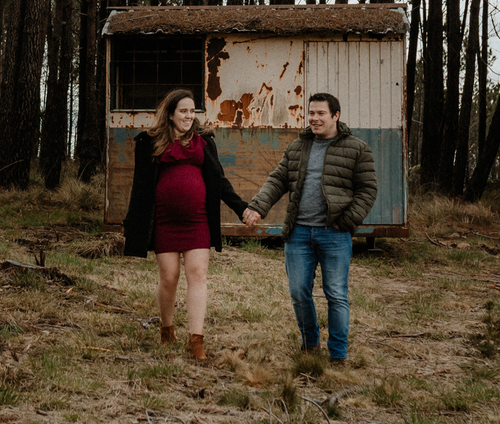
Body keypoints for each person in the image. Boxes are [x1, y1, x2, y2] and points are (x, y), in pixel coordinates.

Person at [241, 92, 377, 365]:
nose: (314, 118)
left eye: (321, 114)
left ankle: (338, 355)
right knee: (298, 292)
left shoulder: (357, 149)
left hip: (334, 234)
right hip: (299, 233)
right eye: (311, 113)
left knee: (336, 294)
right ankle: (310, 343)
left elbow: (367, 190)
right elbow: (278, 180)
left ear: (335, 115)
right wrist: (257, 207)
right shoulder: (297, 147)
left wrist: (345, 222)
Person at [123, 88, 250, 361]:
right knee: (169, 277)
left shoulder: (204, 143)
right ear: (170, 114)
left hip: (198, 220)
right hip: (164, 221)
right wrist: (132, 224)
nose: (189, 116)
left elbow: (220, 182)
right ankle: (166, 329)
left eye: (192, 111)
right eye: (183, 111)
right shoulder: (150, 142)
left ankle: (196, 341)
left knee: (198, 274)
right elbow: (140, 188)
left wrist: (242, 209)